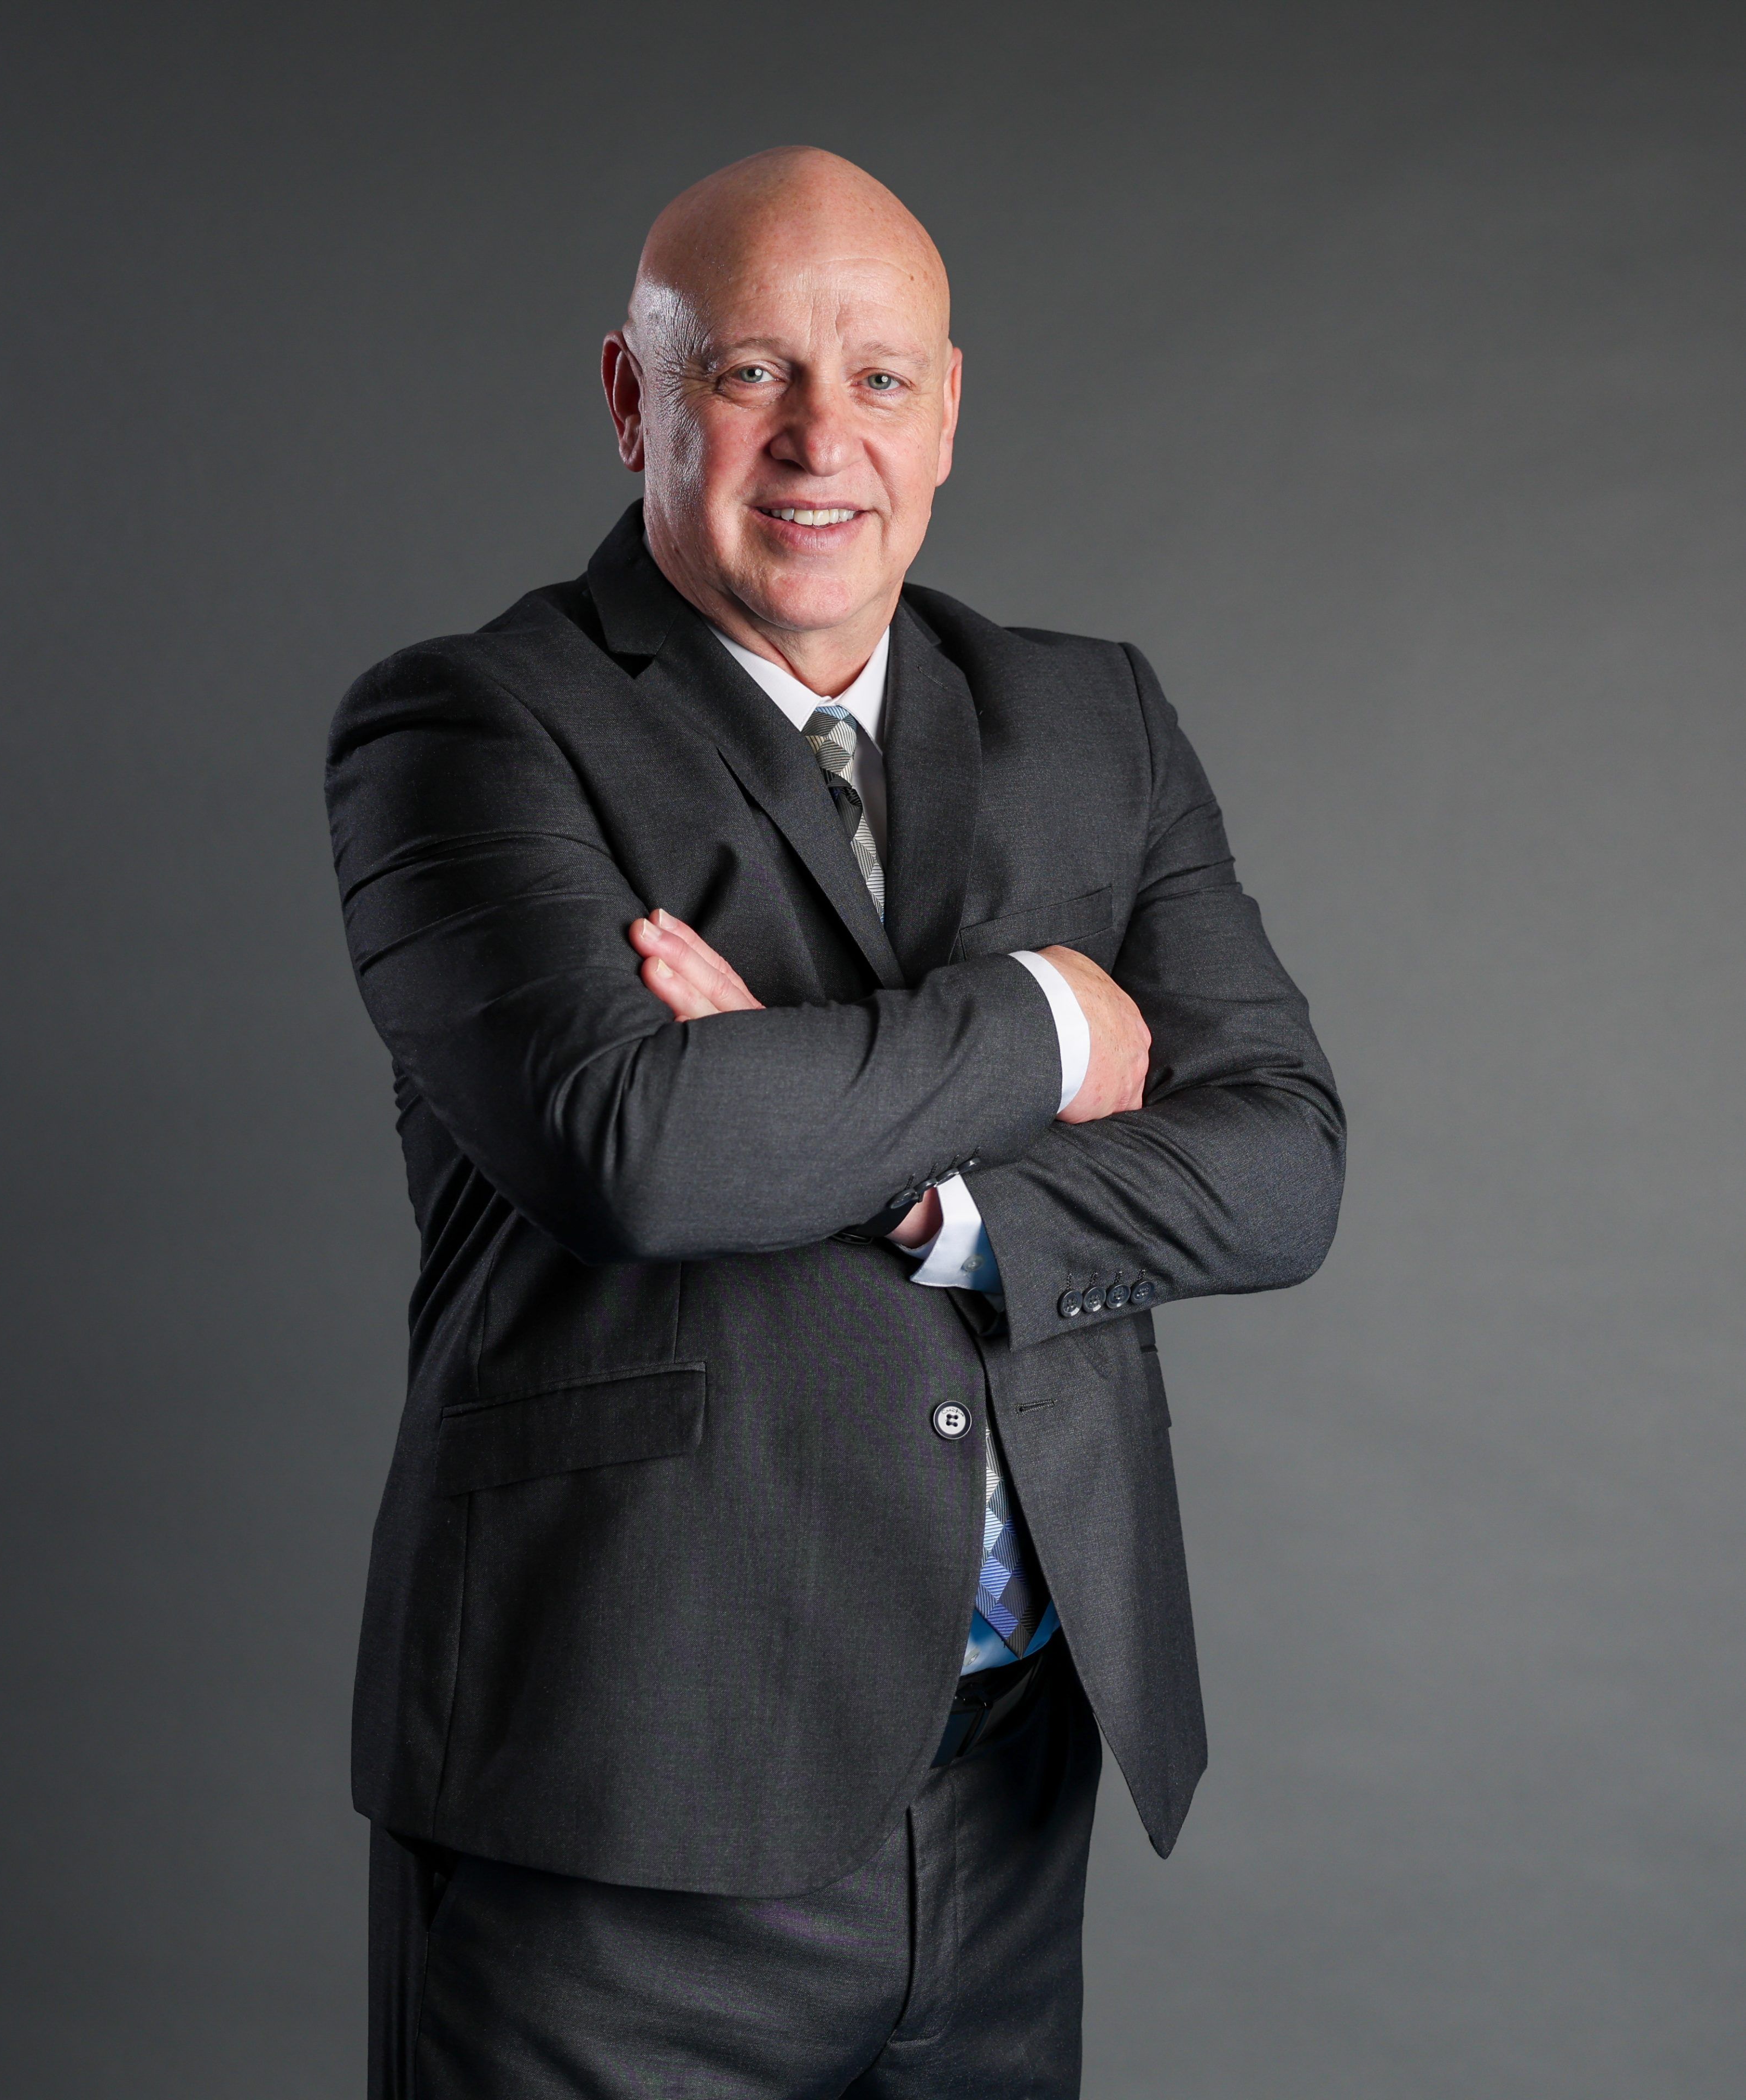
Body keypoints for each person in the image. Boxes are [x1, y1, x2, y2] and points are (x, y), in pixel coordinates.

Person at [327, 144, 1343, 2098]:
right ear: (631, 396)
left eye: (878, 379)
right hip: (619, 1811)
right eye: (746, 373)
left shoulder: (1091, 719)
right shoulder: (468, 728)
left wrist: (864, 1147)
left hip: (1007, 1785)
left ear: (948, 414)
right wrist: (1045, 1020)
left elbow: (1283, 1166)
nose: (820, 441)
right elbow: (632, 1150)